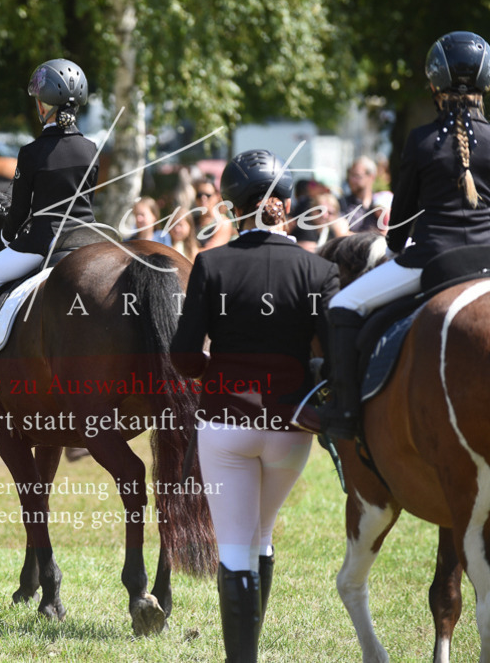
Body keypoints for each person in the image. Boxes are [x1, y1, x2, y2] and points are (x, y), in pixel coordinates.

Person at [174, 149, 339, 660]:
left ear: (232, 208)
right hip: (291, 429)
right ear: (285, 206)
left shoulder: (212, 264)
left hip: (226, 423)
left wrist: (214, 369)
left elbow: (183, 357)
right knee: (261, 536)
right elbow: (335, 360)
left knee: (235, 549)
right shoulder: (318, 270)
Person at [323, 31, 490, 440]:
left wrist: (393, 249)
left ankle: (344, 413)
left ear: (434, 83)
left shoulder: (421, 139)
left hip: (432, 258)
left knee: (343, 304)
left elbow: (403, 215)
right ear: (487, 83)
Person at [0, 58, 98, 393]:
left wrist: (7, 235)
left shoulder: (33, 152)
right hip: (89, 238)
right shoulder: (91, 148)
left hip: (44, 242)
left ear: (43, 106)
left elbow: (19, 211)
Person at [339, 156, 384, 233]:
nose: (351, 180)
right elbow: (341, 234)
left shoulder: (381, 203)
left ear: (371, 177)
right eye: (350, 175)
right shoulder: (343, 204)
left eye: (356, 176)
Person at [192, 177, 235, 250]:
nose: (203, 198)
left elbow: (211, 251)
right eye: (199, 195)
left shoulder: (223, 223)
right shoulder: (192, 221)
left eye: (208, 195)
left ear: (217, 196)